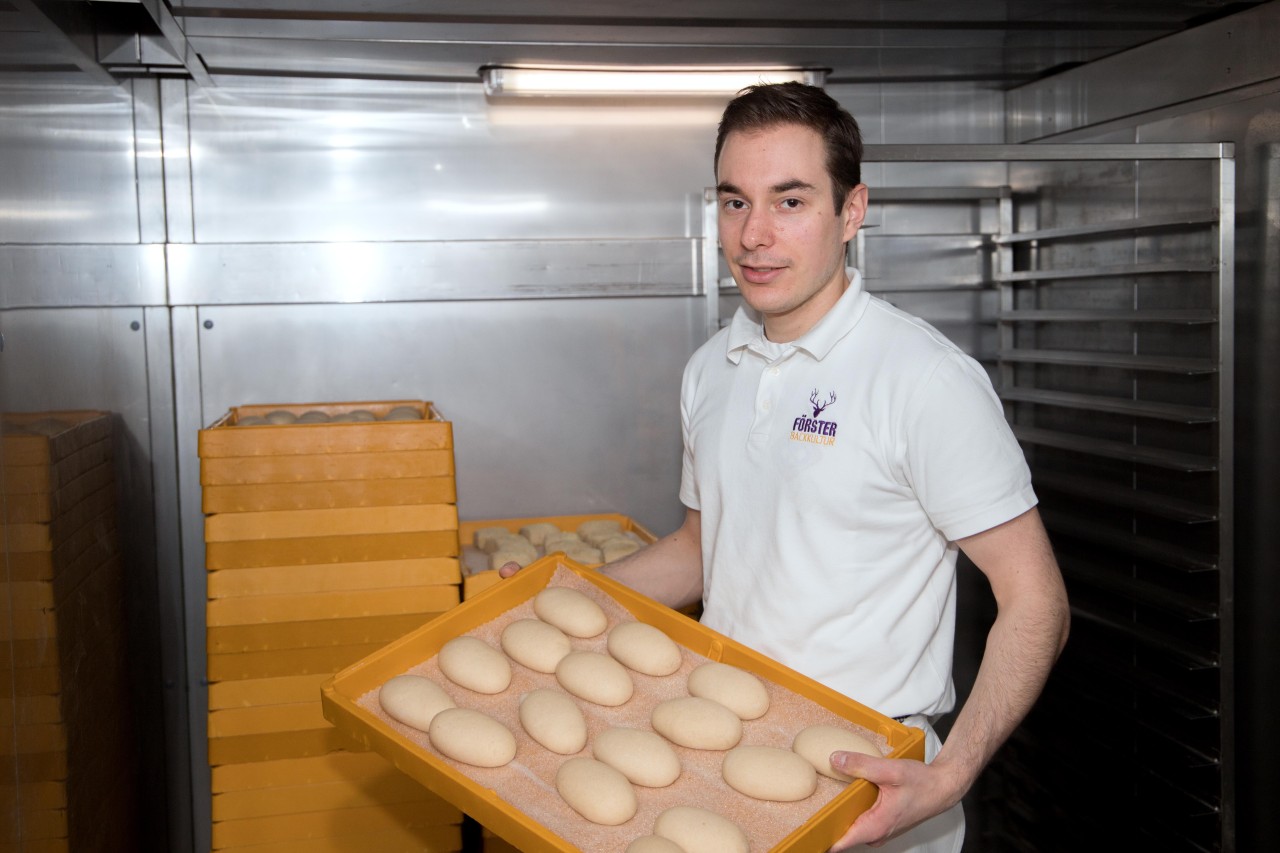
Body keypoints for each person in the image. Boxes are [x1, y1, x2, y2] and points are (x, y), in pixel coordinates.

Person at [504, 81, 1070, 852]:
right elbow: (702, 549)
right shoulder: (711, 369)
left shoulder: (922, 379)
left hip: (867, 790)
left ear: (852, 210)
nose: (754, 235)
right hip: (719, 764)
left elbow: (1035, 599)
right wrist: (559, 595)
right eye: (735, 202)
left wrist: (953, 771)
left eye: (791, 201)